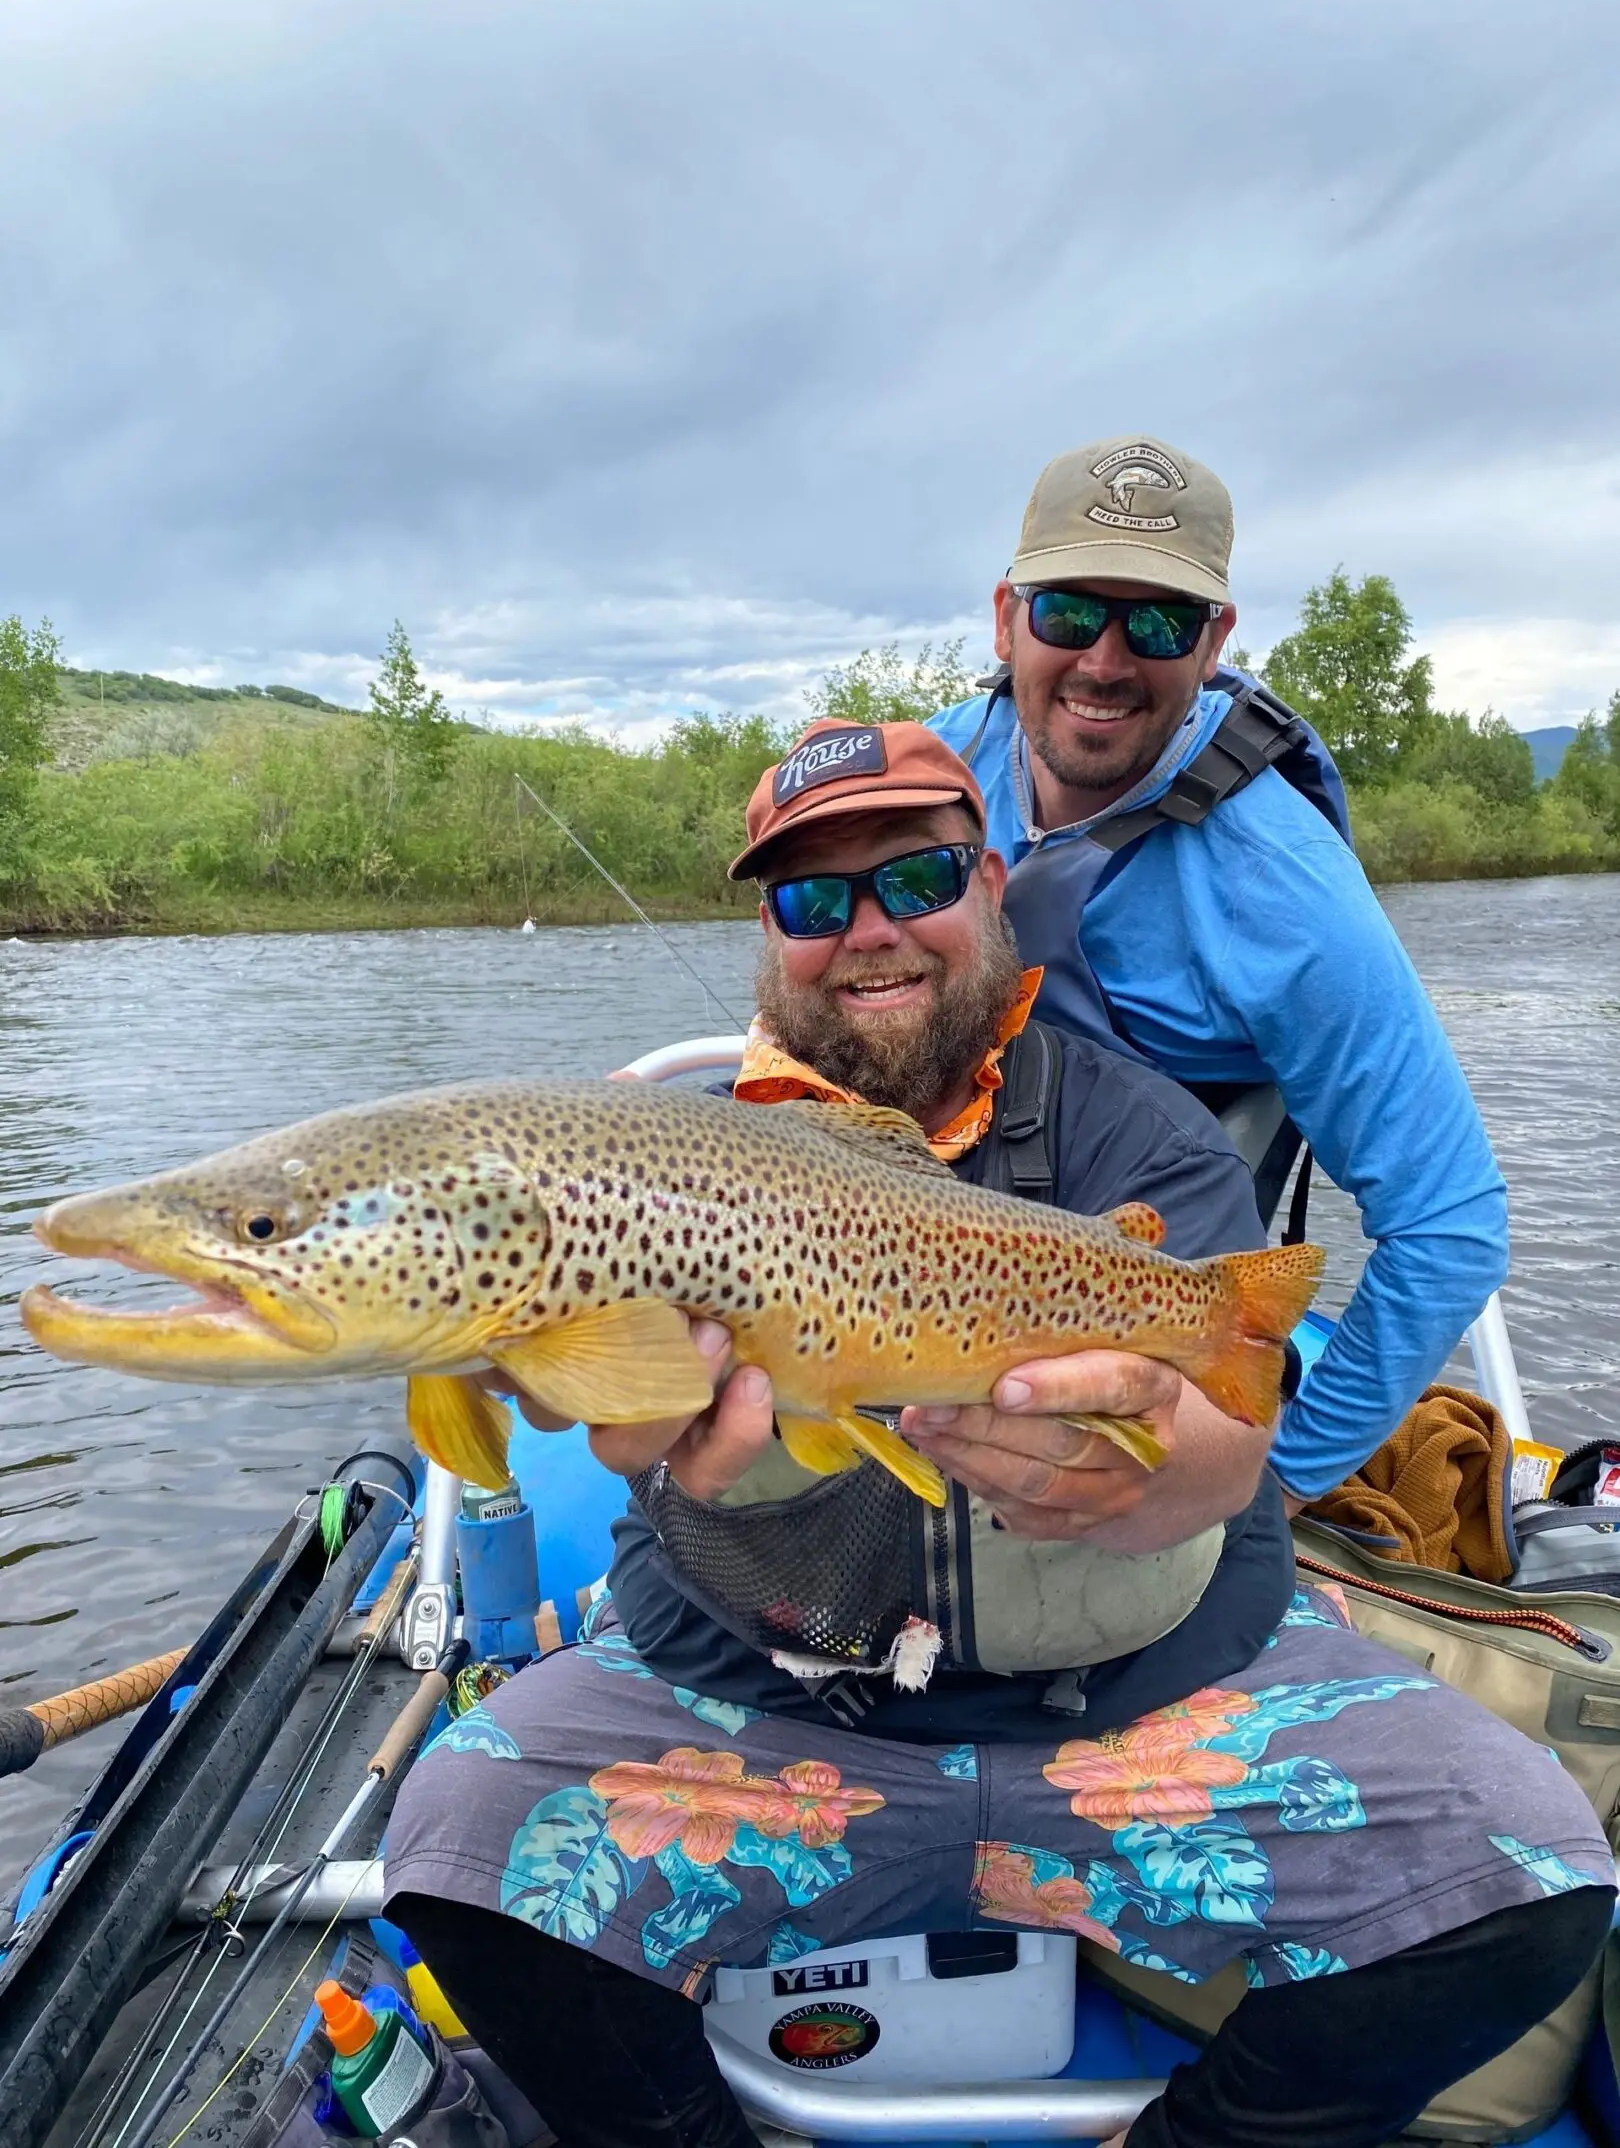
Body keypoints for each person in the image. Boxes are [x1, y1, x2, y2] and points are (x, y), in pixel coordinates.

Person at [384, 723, 1611, 2148]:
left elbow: (1232, 1439)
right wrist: (630, 1428)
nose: (868, 932)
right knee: (457, 1843)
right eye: (810, 900)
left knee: (1537, 1879)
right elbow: (608, 1436)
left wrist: (1145, 1462)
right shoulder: (666, 1166)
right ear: (770, 936)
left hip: (1142, 1711)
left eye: (918, 876)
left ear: (994, 886)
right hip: (766, 1716)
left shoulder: (1143, 1138)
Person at [927, 435, 1510, 1510]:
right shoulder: (932, 770)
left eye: (1157, 622)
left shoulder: (1291, 896)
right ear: (1006, 618)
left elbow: (1450, 1226)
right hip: (908, 1269)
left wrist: (1267, 1489)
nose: (1105, 661)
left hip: (1139, 1308)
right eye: (1068, 613)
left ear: (1215, 640)